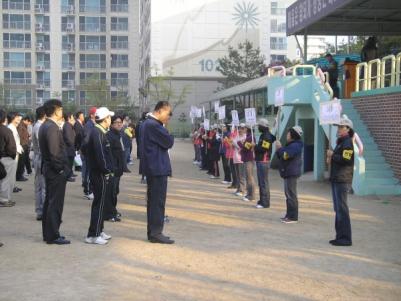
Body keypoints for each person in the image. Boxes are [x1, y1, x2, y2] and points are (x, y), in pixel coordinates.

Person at [140, 101, 174, 244]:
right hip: (157, 168)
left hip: (153, 167)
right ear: (160, 111)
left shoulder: (147, 124)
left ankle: (154, 232)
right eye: (168, 114)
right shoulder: (153, 125)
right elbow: (169, 142)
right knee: (157, 202)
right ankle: (156, 232)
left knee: (154, 201)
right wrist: (167, 132)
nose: (168, 118)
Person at [39, 99, 70, 245]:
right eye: (61, 109)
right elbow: (54, 153)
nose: (62, 112)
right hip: (54, 171)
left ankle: (49, 233)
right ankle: (52, 235)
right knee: (55, 203)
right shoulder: (51, 127)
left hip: (50, 169)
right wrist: (61, 169)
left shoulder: (46, 125)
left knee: (50, 202)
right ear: (56, 110)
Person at [85, 107, 114, 245]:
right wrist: (107, 170)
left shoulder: (99, 132)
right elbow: (101, 156)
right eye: (110, 117)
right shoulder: (97, 133)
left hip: (98, 172)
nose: (111, 120)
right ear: (106, 118)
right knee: (99, 203)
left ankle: (99, 230)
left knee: (101, 203)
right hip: (99, 173)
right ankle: (93, 235)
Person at [326, 115, 354, 247]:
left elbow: (346, 160)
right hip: (337, 178)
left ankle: (345, 238)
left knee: (342, 209)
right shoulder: (341, 142)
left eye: (341, 127)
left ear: (348, 129)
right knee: (338, 209)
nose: (339, 129)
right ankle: (339, 236)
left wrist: (333, 155)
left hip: (342, 179)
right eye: (338, 126)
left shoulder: (347, 142)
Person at [276, 126, 303, 224]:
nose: (287, 135)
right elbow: (281, 155)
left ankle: (293, 216)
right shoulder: (291, 144)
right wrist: (280, 149)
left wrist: (279, 148)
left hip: (291, 172)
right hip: (288, 172)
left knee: (291, 195)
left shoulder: (295, 145)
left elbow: (285, 155)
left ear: (293, 135)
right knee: (288, 195)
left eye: (288, 133)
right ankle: (288, 215)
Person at [104, 115, 125, 222]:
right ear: (111, 124)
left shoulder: (118, 134)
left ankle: (113, 210)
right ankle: (109, 213)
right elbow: (108, 154)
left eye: (120, 122)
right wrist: (112, 168)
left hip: (118, 169)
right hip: (113, 169)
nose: (119, 124)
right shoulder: (109, 136)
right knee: (111, 192)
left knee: (115, 191)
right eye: (116, 122)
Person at [254, 118, 276, 209]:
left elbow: (264, 149)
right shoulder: (264, 135)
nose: (258, 127)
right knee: (261, 182)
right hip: (261, 161)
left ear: (263, 126)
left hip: (263, 161)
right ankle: (262, 200)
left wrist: (254, 146)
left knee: (263, 182)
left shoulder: (266, 136)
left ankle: (265, 202)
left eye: (259, 126)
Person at [0, 109, 17, 208]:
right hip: (6, 158)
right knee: (7, 180)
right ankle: (4, 199)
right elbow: (11, 147)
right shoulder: (6, 130)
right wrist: (13, 156)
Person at [32, 106, 46, 220]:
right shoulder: (39, 126)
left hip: (39, 157)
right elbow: (42, 147)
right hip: (40, 158)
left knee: (40, 186)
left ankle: (40, 210)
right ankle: (41, 210)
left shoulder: (38, 125)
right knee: (42, 186)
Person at [80, 107, 97, 200]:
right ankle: (88, 191)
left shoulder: (93, 124)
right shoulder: (89, 125)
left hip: (90, 152)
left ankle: (89, 190)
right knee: (88, 172)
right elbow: (86, 140)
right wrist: (88, 151)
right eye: (96, 113)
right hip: (88, 153)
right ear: (92, 115)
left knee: (90, 172)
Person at [237, 124, 256, 202]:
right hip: (246, 159)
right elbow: (245, 147)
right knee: (248, 177)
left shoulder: (250, 137)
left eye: (244, 128)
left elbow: (246, 148)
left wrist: (240, 144)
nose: (242, 129)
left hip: (249, 159)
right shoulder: (248, 137)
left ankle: (251, 195)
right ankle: (249, 193)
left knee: (250, 177)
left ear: (247, 129)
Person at [7, 112, 23, 193]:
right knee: (11, 172)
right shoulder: (10, 128)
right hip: (13, 152)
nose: (19, 119)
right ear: (13, 118)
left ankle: (13, 186)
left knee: (13, 171)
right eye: (17, 117)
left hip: (16, 151)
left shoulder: (13, 127)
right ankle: (11, 187)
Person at [232, 124, 246, 197]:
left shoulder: (245, 137)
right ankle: (238, 188)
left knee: (241, 175)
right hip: (235, 158)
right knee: (237, 175)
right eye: (240, 128)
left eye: (242, 128)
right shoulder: (237, 136)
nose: (241, 130)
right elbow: (233, 143)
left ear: (245, 129)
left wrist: (237, 145)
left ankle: (242, 190)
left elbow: (243, 147)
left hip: (241, 159)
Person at [16, 115, 32, 180]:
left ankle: (21, 175)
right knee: (21, 162)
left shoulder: (24, 126)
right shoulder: (20, 126)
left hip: (24, 145)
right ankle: (19, 176)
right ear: (25, 120)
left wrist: (27, 135)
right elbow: (19, 136)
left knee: (23, 161)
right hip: (22, 145)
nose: (29, 124)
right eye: (29, 122)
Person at [62, 112, 76, 182]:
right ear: (69, 118)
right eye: (72, 117)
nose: (73, 119)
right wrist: (72, 144)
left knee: (70, 163)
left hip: (70, 148)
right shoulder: (67, 125)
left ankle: (70, 174)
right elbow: (68, 138)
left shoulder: (69, 125)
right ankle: (68, 176)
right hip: (68, 148)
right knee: (68, 163)